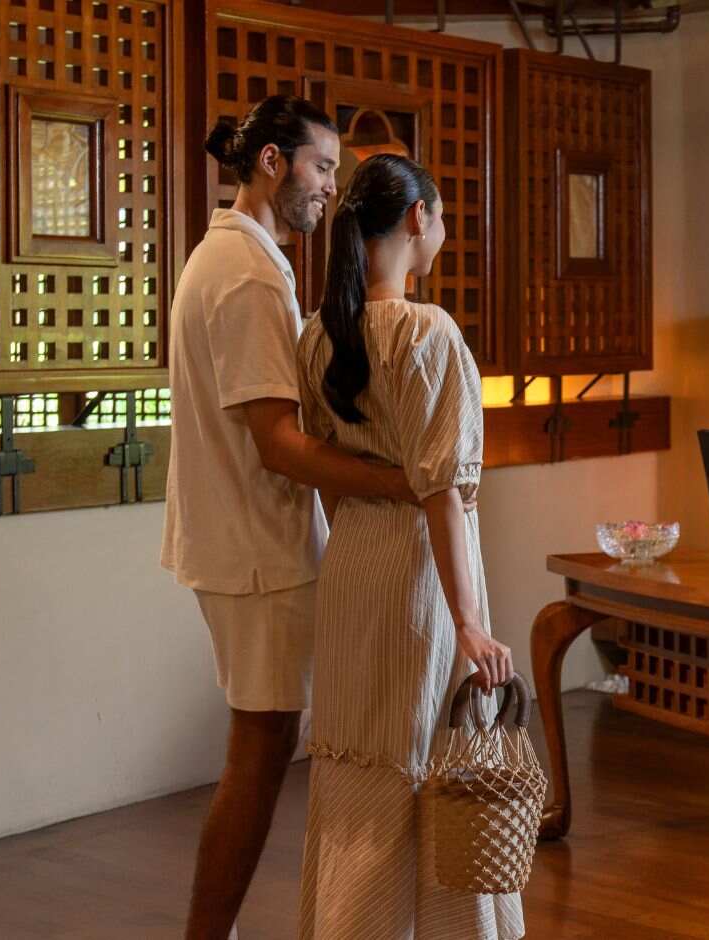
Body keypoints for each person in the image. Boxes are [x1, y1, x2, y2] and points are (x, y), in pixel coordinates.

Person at [160, 94, 418, 940]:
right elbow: (276, 444)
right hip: (255, 552)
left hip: (248, 545)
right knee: (260, 753)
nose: (331, 188)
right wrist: (401, 483)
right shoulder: (241, 272)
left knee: (265, 748)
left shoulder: (244, 258)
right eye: (322, 167)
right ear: (272, 163)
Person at [294, 153, 522, 939]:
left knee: (357, 762)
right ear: (419, 217)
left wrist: (360, 528)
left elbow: (329, 474)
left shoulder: (318, 336)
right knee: (428, 760)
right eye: (442, 213)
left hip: (352, 563)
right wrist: (470, 622)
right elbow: (442, 494)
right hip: (420, 577)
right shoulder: (428, 332)